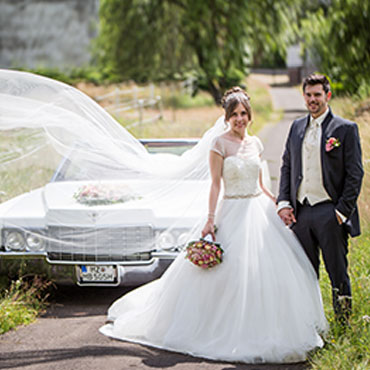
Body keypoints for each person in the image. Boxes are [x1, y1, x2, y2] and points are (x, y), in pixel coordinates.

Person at [100, 87, 327, 364]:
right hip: (231, 209)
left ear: (250, 115)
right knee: (227, 273)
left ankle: (261, 325)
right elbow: (216, 185)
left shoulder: (255, 144)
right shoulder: (219, 144)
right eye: (234, 115)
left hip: (258, 210)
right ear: (227, 117)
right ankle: (222, 329)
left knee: (266, 272)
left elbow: (260, 184)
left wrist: (280, 205)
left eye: (244, 114)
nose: (240, 119)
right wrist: (210, 219)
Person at [277, 74, 364, 326]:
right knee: (304, 273)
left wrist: (341, 211)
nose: (312, 99)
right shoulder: (295, 127)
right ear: (303, 96)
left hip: (330, 213)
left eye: (317, 94)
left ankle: (343, 325)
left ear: (328, 95)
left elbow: (355, 173)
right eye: (308, 95)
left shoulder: (345, 129)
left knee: (338, 273)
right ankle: (310, 326)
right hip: (301, 213)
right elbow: (287, 166)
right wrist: (284, 202)